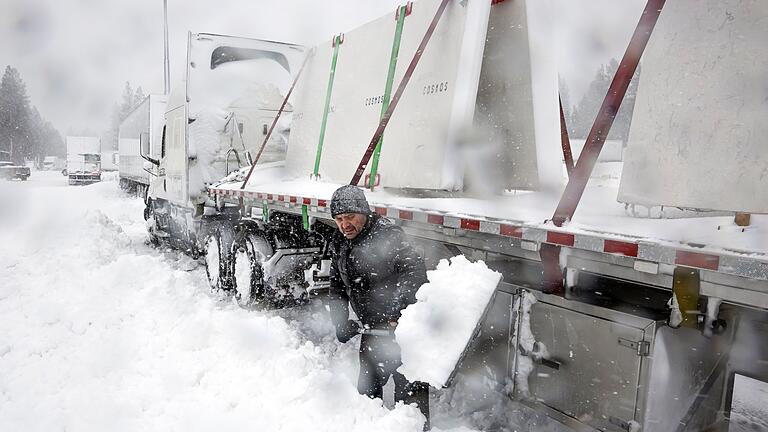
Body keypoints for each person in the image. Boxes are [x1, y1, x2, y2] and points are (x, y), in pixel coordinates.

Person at [328, 184, 430, 428]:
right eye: (340, 219)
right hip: (373, 331)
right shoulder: (339, 242)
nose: (345, 224)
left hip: (404, 333)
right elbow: (336, 287)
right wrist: (340, 322)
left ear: (364, 212)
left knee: (411, 403)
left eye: (350, 216)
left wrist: (396, 314)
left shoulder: (388, 236)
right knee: (366, 399)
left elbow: (414, 272)